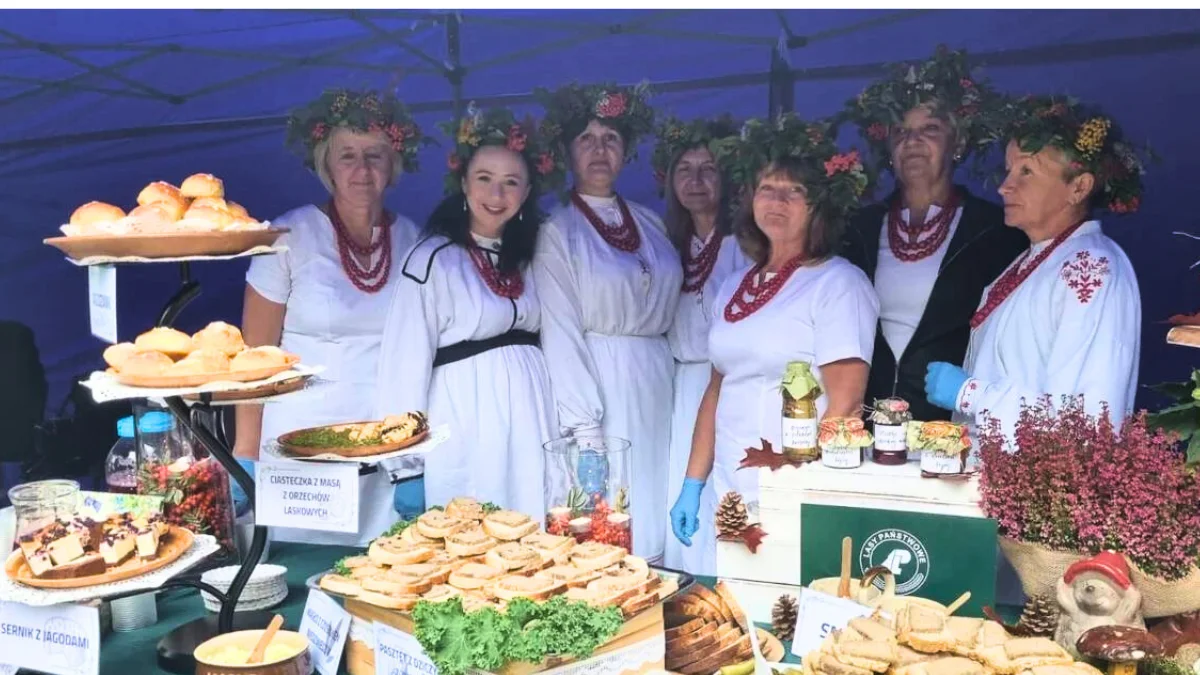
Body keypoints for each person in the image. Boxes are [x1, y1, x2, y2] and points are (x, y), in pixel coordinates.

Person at [669, 115, 881, 574]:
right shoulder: (732, 285)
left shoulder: (838, 283)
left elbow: (846, 403)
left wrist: (801, 488)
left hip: (796, 486)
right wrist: (693, 482)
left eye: (795, 191)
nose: (778, 201)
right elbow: (716, 390)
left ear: (819, 207)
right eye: (768, 188)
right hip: (731, 484)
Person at [234, 89, 428, 546]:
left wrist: (416, 458)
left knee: (382, 579)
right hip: (301, 458)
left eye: (375, 155)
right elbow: (254, 358)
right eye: (348, 156)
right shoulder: (288, 236)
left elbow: (424, 350)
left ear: (393, 165)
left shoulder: (414, 239)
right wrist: (245, 452)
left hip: (385, 452)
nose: (362, 170)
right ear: (327, 165)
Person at [375, 105, 565, 519]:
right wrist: (406, 467)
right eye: (484, 179)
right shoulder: (431, 259)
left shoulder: (533, 259)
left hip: (532, 422)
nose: (497, 196)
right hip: (465, 421)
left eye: (511, 183)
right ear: (463, 183)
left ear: (528, 192)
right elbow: (403, 364)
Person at [925, 95, 1146, 446]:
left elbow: (1085, 420)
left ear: (1079, 187)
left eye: (1026, 171)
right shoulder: (1031, 260)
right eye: (1009, 170)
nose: (1004, 186)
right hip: (994, 481)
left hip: (1037, 492)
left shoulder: (1092, 267)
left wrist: (970, 394)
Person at [533, 82, 681, 562]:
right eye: (587, 140)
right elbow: (561, 331)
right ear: (568, 153)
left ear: (627, 152)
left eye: (611, 139)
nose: (599, 150)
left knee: (660, 500)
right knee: (615, 517)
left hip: (660, 383)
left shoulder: (651, 223)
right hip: (604, 384)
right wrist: (587, 433)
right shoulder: (558, 232)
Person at [840, 46, 1027, 423]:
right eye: (901, 132)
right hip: (861, 422)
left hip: (946, 424)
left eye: (930, 130)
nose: (912, 142)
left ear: (957, 144)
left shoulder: (995, 231)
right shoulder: (856, 229)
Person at [651, 115, 749, 572]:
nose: (695, 180)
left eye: (707, 168)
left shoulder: (744, 245)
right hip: (678, 388)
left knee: (719, 494)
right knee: (680, 485)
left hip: (724, 388)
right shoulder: (666, 244)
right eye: (684, 169)